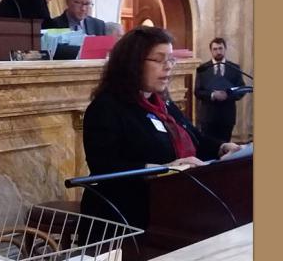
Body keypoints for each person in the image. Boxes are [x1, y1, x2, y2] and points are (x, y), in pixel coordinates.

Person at [79, 26, 243, 230]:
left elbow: (195, 138)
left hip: (175, 209)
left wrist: (222, 147)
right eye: (159, 60)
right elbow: (104, 166)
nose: (168, 67)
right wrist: (164, 169)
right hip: (127, 219)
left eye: (171, 59)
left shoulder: (162, 103)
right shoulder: (106, 107)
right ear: (133, 63)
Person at [195, 38, 247, 143]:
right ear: (211, 51)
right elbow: (197, 92)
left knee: (225, 148)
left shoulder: (234, 68)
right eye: (215, 49)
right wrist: (213, 95)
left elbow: (241, 89)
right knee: (208, 148)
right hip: (208, 117)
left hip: (227, 116)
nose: (218, 52)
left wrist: (227, 95)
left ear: (225, 49)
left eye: (220, 48)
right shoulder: (203, 69)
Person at [42, 0, 108, 34]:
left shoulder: (99, 25)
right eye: (78, 2)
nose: (83, 8)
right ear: (67, 0)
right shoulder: (52, 25)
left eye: (87, 3)